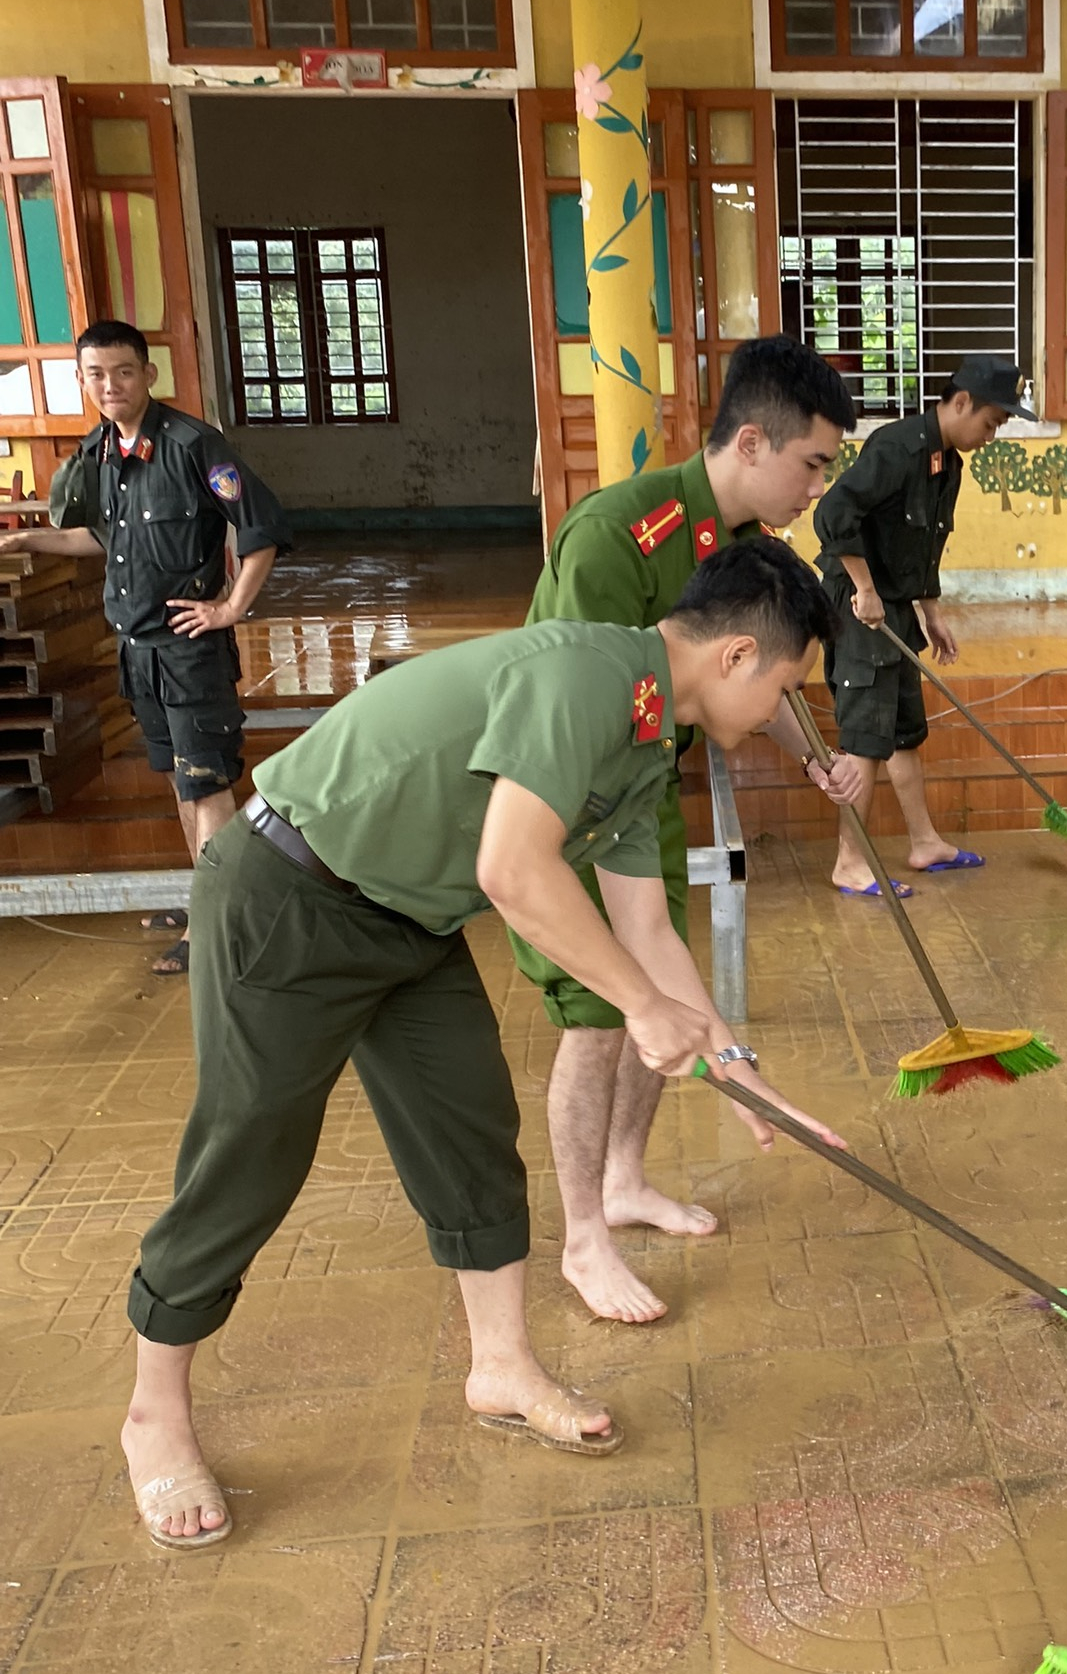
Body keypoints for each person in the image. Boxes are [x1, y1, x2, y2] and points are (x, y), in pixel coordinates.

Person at [120, 538, 845, 1550]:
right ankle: (154, 1412)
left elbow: (645, 930)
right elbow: (513, 871)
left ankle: (499, 1366)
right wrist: (640, 1009)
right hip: (292, 890)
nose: (779, 711)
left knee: (471, 1125)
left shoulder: (647, 739)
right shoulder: (588, 676)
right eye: (783, 684)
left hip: (408, 919)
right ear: (733, 654)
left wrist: (735, 1068)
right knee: (250, 1155)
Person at [516, 336, 864, 1324]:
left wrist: (810, 754)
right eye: (810, 462)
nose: (815, 485)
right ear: (751, 442)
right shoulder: (618, 536)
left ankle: (625, 1179)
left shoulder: (752, 552)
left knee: (663, 992)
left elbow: (765, 670)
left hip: (639, 799)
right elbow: (572, 703)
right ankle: (584, 1236)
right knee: (599, 1016)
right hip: (568, 808)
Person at [30, 320, 292, 974]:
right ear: (82, 381)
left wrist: (230, 608)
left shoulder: (194, 446)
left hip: (188, 653)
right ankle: (206, 896)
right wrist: (19, 543)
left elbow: (259, 529)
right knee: (183, 783)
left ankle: (220, 926)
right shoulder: (100, 452)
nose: (111, 385)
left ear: (149, 374)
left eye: (123, 371)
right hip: (137, 652)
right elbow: (100, 540)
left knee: (207, 787)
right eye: (96, 374)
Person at [814, 354, 1035, 896]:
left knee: (905, 734)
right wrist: (864, 589)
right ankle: (849, 860)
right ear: (961, 402)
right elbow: (832, 516)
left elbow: (927, 543)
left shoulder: (948, 464)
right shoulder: (896, 448)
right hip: (859, 606)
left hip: (894, 609)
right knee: (865, 740)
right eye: (990, 422)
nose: (991, 434)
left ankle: (924, 841)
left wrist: (931, 611)